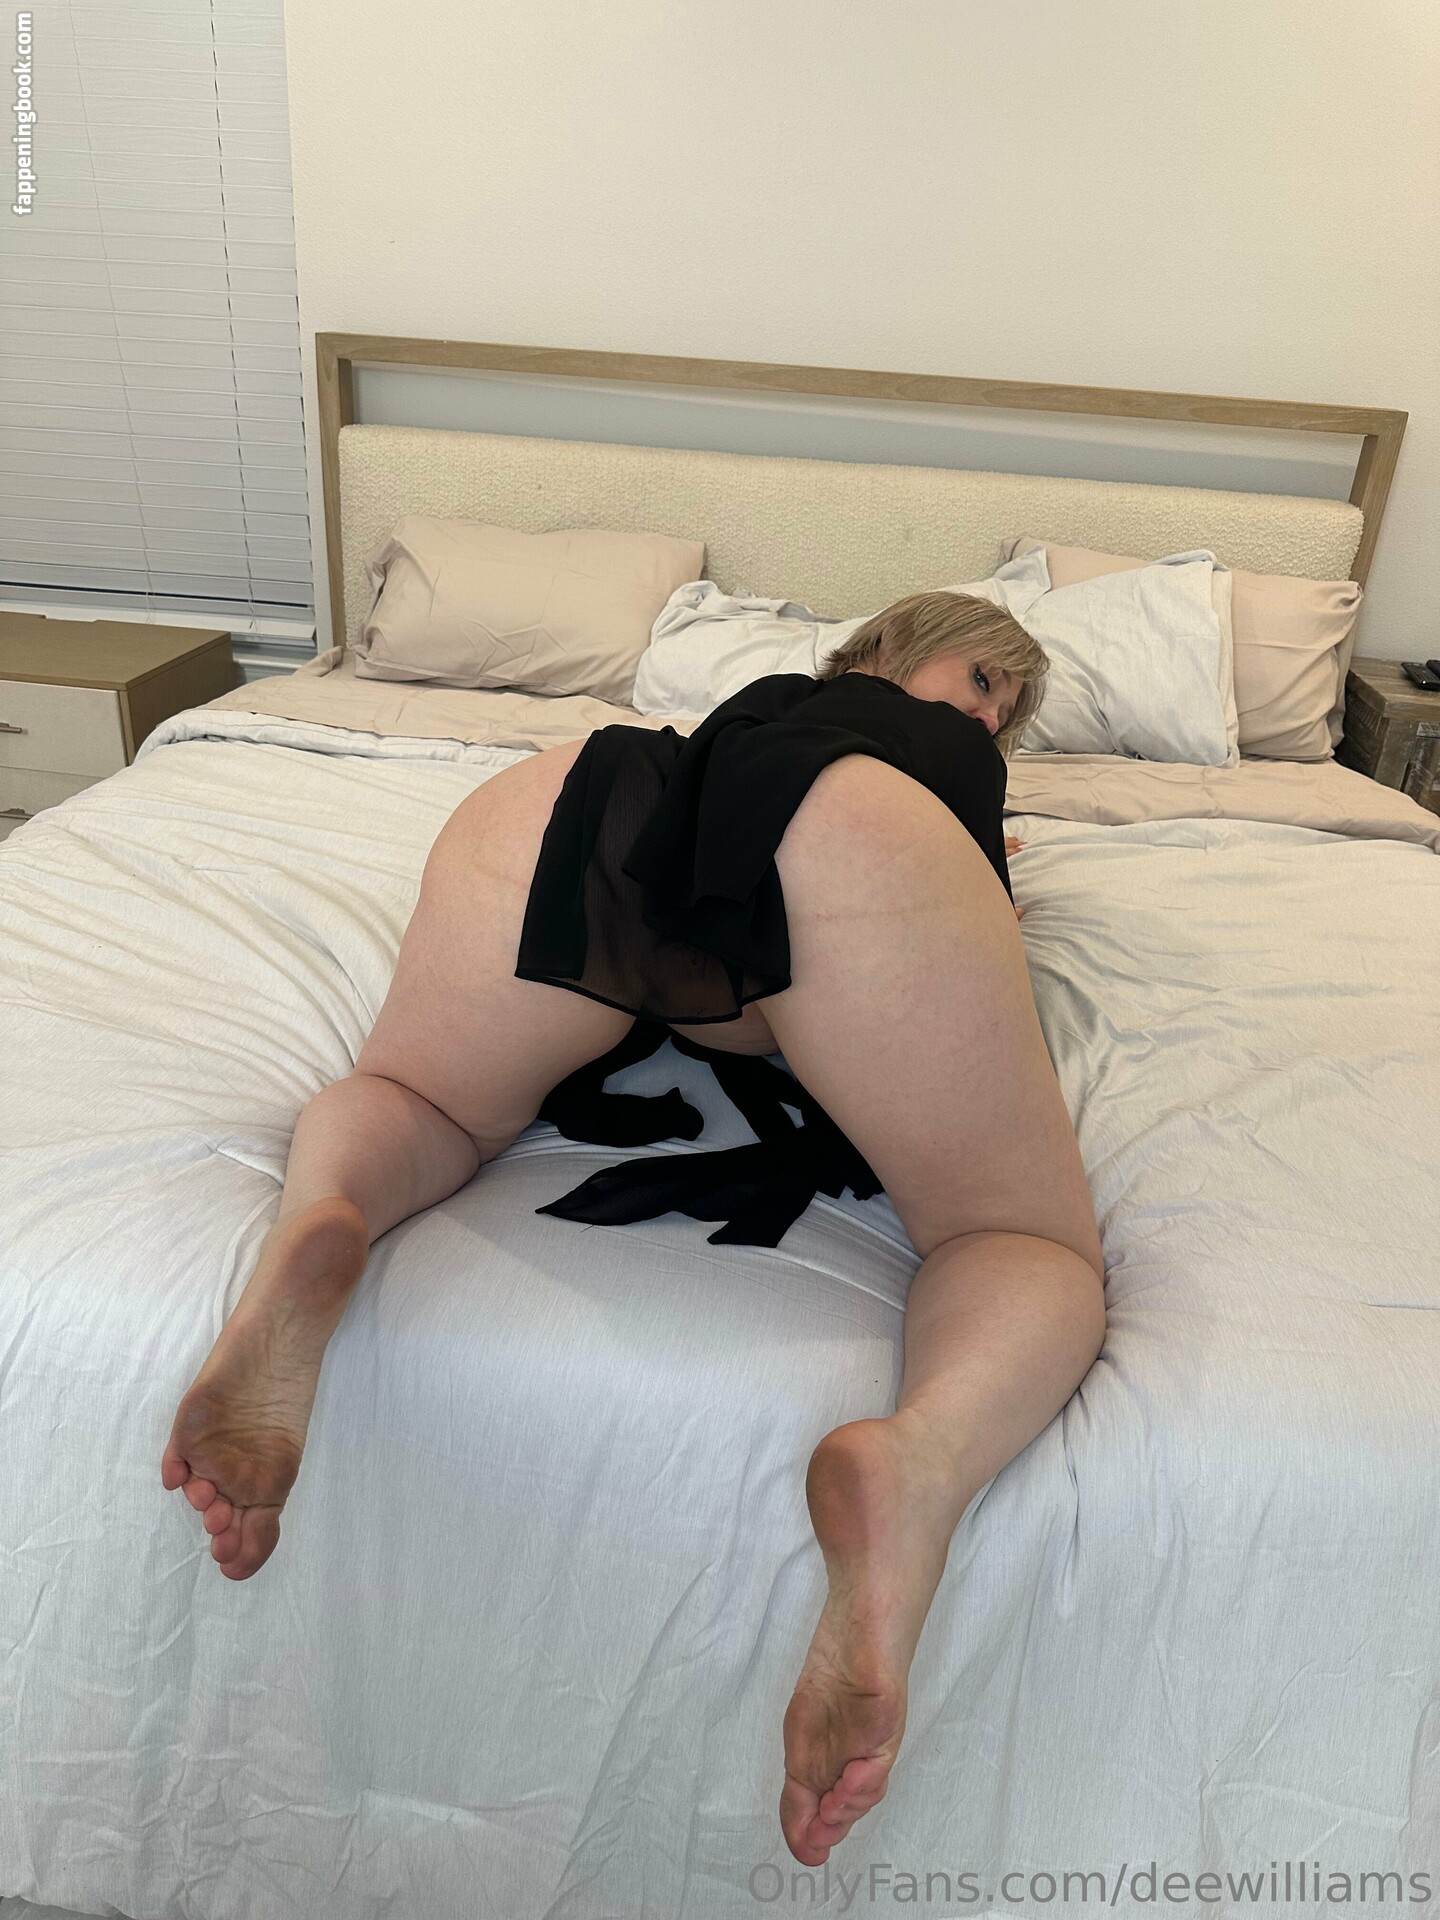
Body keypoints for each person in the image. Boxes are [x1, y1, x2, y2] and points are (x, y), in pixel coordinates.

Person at [160, 588, 1107, 1867]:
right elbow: (952, 911)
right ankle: (919, 1464)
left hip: (592, 792)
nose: (991, 713)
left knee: (417, 1098)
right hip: (859, 847)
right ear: (893, 652)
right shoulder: (939, 760)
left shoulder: (765, 708)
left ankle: (325, 1215)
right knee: (1020, 1242)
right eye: (984, 679)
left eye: (1010, 704)